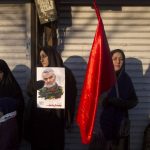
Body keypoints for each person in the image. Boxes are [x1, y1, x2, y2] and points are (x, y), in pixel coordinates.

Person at [26, 46, 77, 150]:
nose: (41, 59)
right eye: (40, 57)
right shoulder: (37, 72)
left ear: (52, 56)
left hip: (56, 118)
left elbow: (72, 94)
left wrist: (63, 91)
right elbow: (29, 92)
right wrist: (34, 87)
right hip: (39, 120)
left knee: (55, 144)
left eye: (44, 56)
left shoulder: (65, 73)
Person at [89, 49, 138, 150]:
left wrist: (120, 103)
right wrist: (105, 101)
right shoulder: (102, 77)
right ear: (109, 60)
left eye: (121, 59)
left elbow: (134, 101)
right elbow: (92, 99)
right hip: (102, 126)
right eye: (114, 59)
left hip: (119, 128)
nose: (118, 62)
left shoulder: (126, 79)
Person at [0, 59, 24, 150]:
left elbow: (20, 106)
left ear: (5, 72)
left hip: (8, 132)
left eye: (0, 72)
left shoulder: (12, 87)